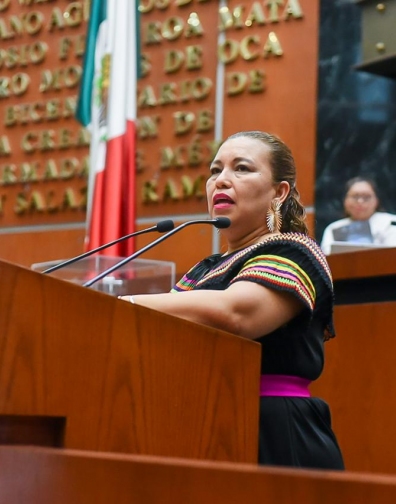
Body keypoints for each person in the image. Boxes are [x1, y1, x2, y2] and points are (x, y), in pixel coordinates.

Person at [120, 131, 344, 470]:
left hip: (274, 431)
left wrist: (120, 305)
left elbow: (237, 313)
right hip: (201, 424)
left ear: (279, 192)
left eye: (241, 168)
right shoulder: (203, 269)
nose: (221, 180)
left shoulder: (294, 250)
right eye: (215, 171)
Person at [320, 177, 396, 255]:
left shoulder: (391, 222)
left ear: (376, 200)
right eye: (355, 196)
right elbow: (325, 260)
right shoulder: (333, 228)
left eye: (366, 197)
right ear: (345, 201)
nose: (360, 201)